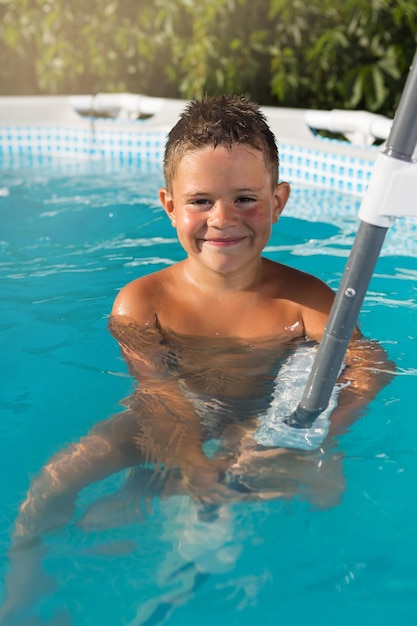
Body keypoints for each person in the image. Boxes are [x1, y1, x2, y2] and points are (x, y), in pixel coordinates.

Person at [0, 95, 392, 623]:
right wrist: (189, 462)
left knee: (321, 484)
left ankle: (166, 500)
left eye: (246, 198)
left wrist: (321, 431)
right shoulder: (142, 303)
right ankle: (26, 581)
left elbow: (373, 365)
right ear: (169, 206)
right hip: (169, 415)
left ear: (280, 201)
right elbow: (159, 396)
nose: (223, 219)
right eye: (201, 200)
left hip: (258, 417)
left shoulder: (307, 303)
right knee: (55, 477)